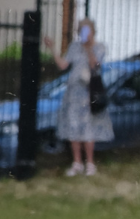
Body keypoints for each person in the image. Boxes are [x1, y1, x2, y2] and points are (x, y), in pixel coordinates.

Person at [44, 19, 113, 176]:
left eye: (87, 31)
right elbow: (63, 65)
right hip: (74, 93)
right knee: (73, 126)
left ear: (93, 32)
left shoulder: (100, 47)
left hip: (89, 92)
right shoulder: (74, 47)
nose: (84, 34)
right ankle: (77, 162)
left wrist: (88, 48)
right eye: (82, 31)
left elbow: (95, 65)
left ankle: (90, 163)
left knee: (88, 126)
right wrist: (53, 49)